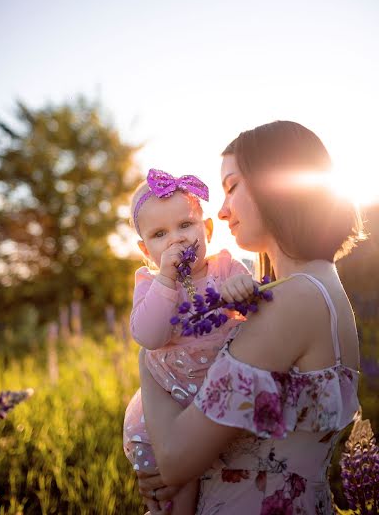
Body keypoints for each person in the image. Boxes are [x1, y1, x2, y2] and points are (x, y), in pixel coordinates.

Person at [136, 121, 362, 514]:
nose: (221, 213)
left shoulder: (292, 300)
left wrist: (148, 359)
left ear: (276, 184)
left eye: (231, 187)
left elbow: (174, 459)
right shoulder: (318, 285)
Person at [123, 168, 254, 514]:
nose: (176, 240)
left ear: (207, 229)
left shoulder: (225, 268)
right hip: (171, 406)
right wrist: (167, 280)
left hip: (220, 400)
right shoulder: (150, 285)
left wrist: (241, 293)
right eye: (159, 234)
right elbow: (149, 337)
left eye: (185, 225)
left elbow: (254, 311)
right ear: (145, 249)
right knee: (178, 488)